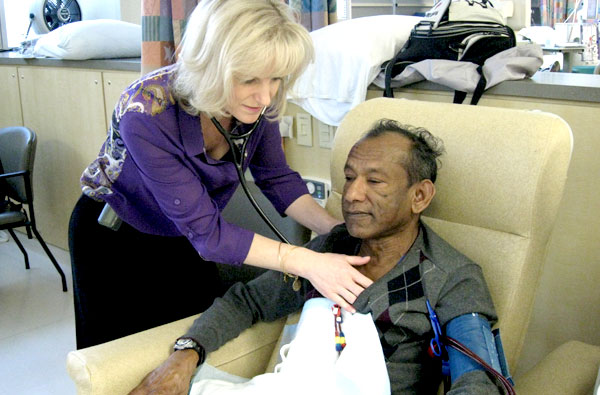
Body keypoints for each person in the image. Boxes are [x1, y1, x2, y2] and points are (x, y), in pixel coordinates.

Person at [69, 0, 372, 350]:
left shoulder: (259, 104)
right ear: (209, 65)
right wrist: (309, 262)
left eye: (275, 78)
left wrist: (337, 232)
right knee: (119, 361)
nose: (266, 95)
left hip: (186, 238)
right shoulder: (147, 113)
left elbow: (277, 179)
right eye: (249, 80)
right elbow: (211, 236)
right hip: (116, 239)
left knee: (190, 346)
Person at [130, 120, 504, 394]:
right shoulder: (331, 248)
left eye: (374, 182)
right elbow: (247, 302)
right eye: (349, 177)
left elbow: (478, 382)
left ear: (419, 196)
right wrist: (186, 353)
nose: (353, 194)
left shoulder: (454, 277)